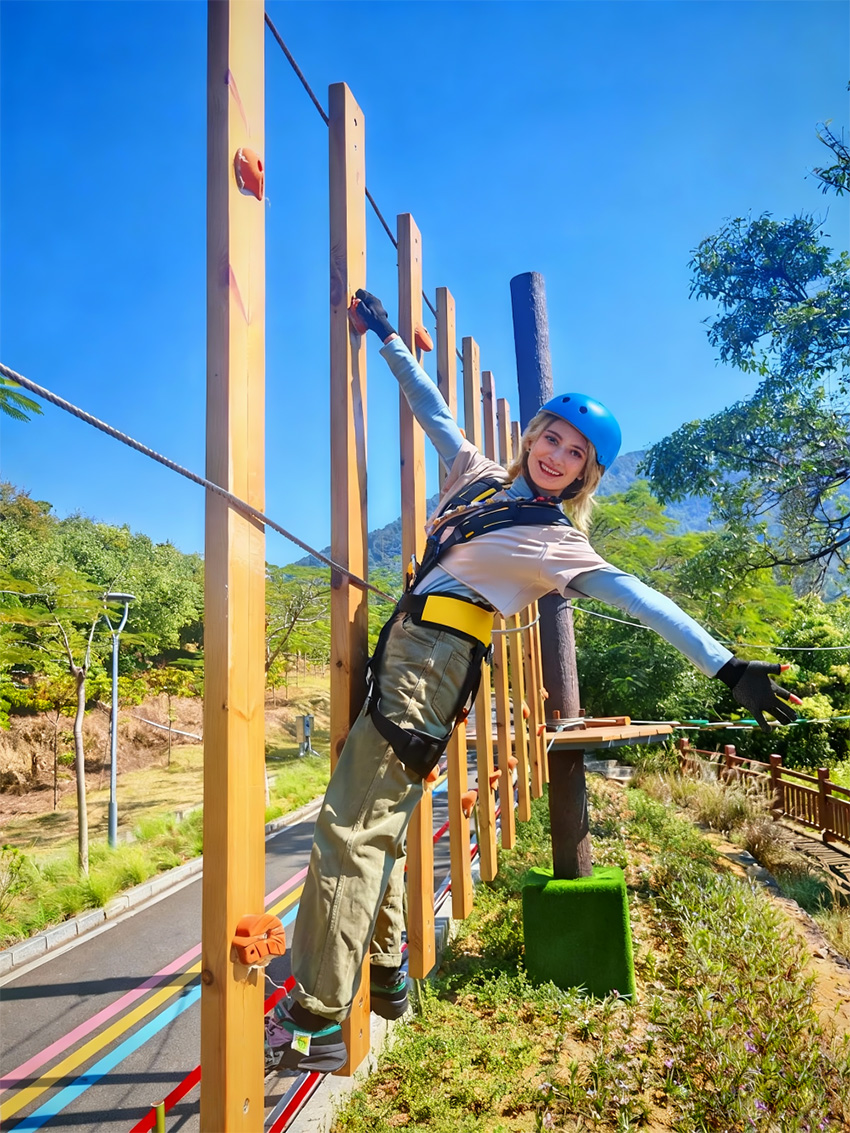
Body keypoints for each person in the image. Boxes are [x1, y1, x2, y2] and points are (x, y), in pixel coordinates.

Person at [265, 290, 800, 1074]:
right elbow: (435, 411)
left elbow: (642, 599)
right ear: (532, 435)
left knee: (350, 829)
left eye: (575, 453)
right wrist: (387, 339)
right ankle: (383, 973)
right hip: (408, 650)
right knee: (375, 821)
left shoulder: (558, 542)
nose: (556, 454)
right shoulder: (480, 477)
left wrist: (723, 663)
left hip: (434, 661)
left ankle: (315, 1012)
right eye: (552, 436)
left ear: (585, 473)